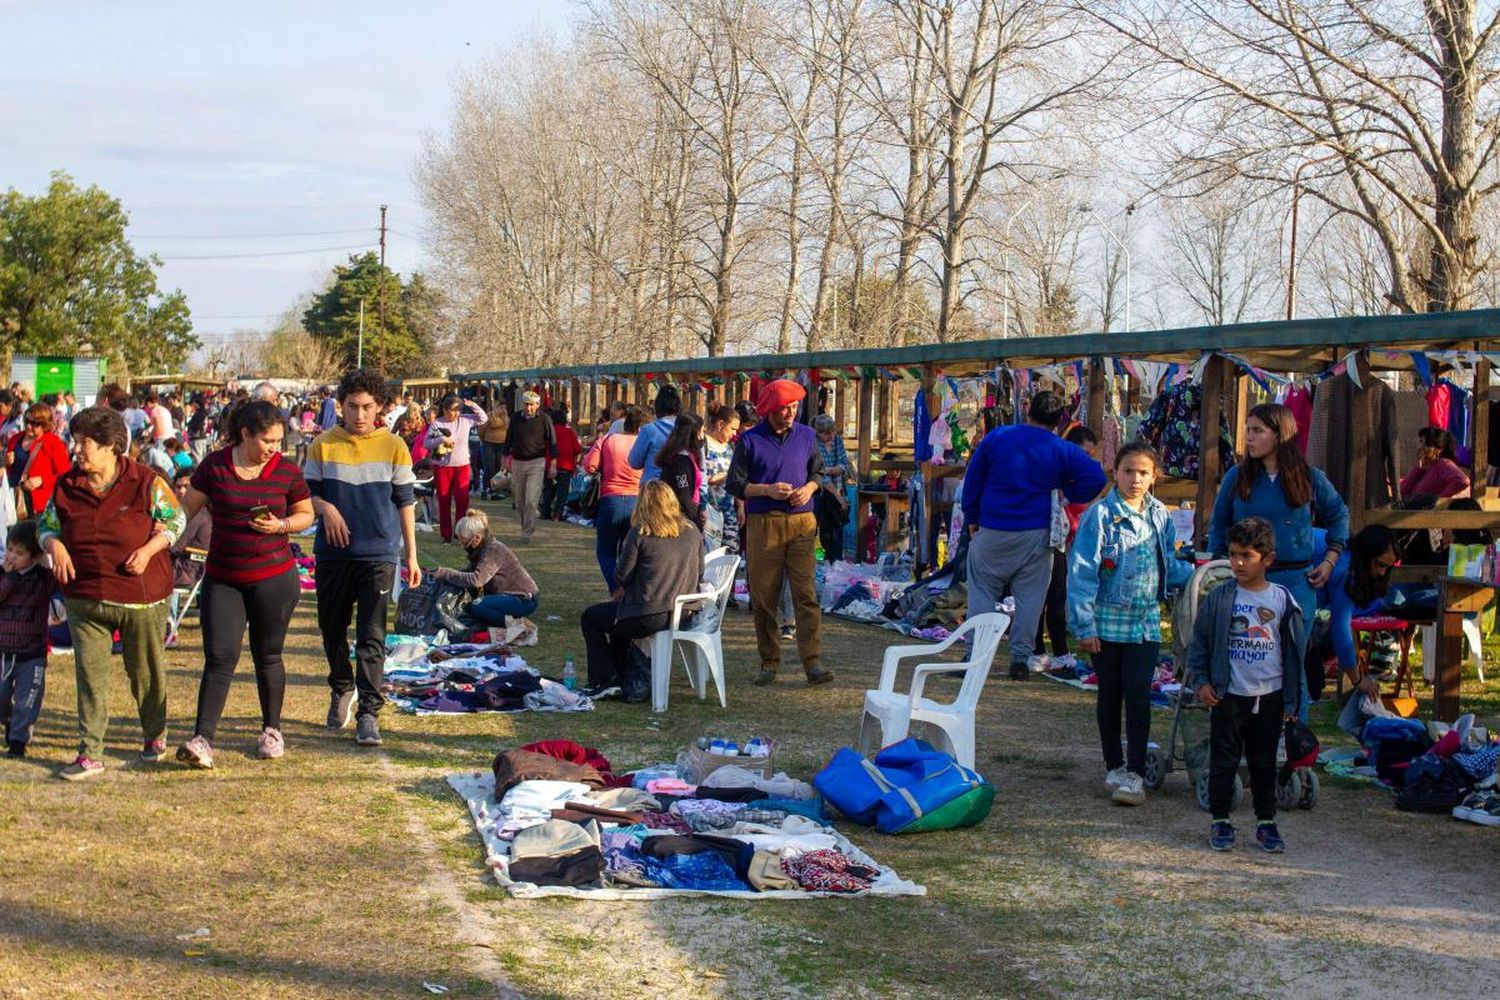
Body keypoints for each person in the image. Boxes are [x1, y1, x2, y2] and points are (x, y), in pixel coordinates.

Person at [39, 406, 185, 780]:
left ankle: (155, 734)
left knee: (144, 673)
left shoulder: (146, 481)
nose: (77, 451)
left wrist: (150, 550)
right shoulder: (66, 485)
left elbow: (175, 520)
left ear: (110, 446)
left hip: (140, 596)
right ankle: (90, 753)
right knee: (90, 676)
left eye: (84, 443)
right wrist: (52, 543)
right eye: (76, 442)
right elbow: (46, 524)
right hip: (84, 597)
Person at [174, 402, 315, 769]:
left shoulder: (285, 470)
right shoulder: (215, 466)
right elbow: (186, 510)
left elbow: (305, 514)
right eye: (268, 440)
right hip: (224, 579)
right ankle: (202, 739)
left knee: (267, 655)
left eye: (279, 441)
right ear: (245, 434)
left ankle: (272, 730)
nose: (275, 448)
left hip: (274, 578)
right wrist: (162, 532)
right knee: (219, 658)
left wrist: (281, 526)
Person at [1067, 441, 1191, 807]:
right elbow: (1083, 572)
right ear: (1115, 473)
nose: (1135, 479)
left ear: (1155, 477)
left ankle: (1135, 770)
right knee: (1110, 693)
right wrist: (1084, 625)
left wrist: (1203, 571)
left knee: (1138, 692)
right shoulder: (1099, 516)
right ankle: (1113, 765)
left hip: (1145, 622)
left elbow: (1167, 563)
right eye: (1128, 471)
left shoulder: (1160, 516)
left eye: (1143, 473)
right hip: (1106, 620)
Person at [304, 369, 421, 748]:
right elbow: (305, 497)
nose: (359, 414)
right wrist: (326, 508)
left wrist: (411, 558)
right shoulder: (322, 445)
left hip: (379, 554)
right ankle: (341, 687)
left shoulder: (395, 446)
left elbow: (406, 503)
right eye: (352, 406)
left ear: (380, 407)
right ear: (341, 406)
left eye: (366, 406)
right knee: (331, 628)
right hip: (333, 554)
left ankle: (369, 713)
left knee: (372, 634)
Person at [1206, 402, 1348, 715]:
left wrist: (1330, 560)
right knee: (1246, 662)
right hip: (1246, 584)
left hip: (1295, 584)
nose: (1249, 438)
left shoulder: (1309, 477)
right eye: (1248, 430)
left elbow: (1339, 514)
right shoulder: (1236, 477)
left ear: (1279, 435)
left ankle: (1297, 750)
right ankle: (1248, 740)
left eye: (1258, 430)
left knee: (1293, 665)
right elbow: (1218, 526)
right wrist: (1219, 570)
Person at [960, 390, 1106, 681]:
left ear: (1028, 411)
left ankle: (975, 655)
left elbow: (973, 479)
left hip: (993, 527)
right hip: (1037, 533)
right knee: (1030, 598)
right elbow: (1097, 477)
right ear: (1059, 420)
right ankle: (1020, 658)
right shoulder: (1061, 448)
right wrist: (1068, 492)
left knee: (982, 592)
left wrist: (972, 516)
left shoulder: (998, 437)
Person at [1185, 516, 1305, 854]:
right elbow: (1200, 645)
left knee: (1263, 761)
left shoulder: (1282, 600)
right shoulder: (1220, 599)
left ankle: (1266, 822)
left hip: (1269, 696)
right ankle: (1220, 820)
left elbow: (1295, 654)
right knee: (1223, 759)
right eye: (1233, 554)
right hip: (1228, 695)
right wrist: (1201, 682)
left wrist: (1293, 702)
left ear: (1267, 558)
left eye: (1247, 556)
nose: (1237, 562)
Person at [727, 379, 833, 687]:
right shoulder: (749, 441)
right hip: (764, 522)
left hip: (802, 521)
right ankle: (769, 661)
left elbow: (818, 472)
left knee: (806, 593)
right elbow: (735, 483)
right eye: (784, 409)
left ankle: (813, 662)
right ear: (770, 410)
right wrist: (766, 490)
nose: (790, 413)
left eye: (794, 407)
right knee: (764, 596)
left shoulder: (808, 435)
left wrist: (810, 488)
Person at [578, 481, 704, 703]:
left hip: (649, 612)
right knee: (617, 618)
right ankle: (622, 677)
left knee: (591, 617)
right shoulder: (692, 532)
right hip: (684, 612)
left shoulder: (641, 533)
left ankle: (604, 678)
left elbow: (622, 575)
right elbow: (700, 571)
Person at [1312, 525, 1404, 736]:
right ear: (1366, 555)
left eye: (1387, 568)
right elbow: (1341, 631)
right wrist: (1358, 679)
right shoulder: (1345, 570)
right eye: (1380, 565)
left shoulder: (1345, 554)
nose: (1382, 572)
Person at [1036, 425, 1099, 660]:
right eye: (1085, 453)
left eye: (1091, 455)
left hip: (1067, 540)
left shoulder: (1080, 477)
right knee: (1050, 595)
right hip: (1050, 538)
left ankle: (1051, 650)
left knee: (1056, 594)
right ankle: (1048, 650)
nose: (1087, 459)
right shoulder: (1058, 473)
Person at [430, 509, 539, 627]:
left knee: (478, 606)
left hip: (523, 599)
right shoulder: (482, 549)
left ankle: (517, 625)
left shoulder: (494, 550)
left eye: (464, 542)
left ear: (476, 538)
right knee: (471, 606)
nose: (463, 546)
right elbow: (470, 573)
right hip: (508, 596)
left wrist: (446, 573)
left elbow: (477, 580)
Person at [0, 520, 54, 758]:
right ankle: (8, 721)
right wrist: (9, 577)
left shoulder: (43, 578)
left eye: (20, 553)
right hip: (3, 651)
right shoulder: (3, 575)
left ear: (34, 557)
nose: (12, 556)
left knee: (27, 701)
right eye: (10, 549)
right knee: (2, 699)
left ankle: (18, 741)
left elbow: (63, 580)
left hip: (31, 655)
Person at [583, 405, 645, 590]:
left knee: (605, 551)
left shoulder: (607, 439)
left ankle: (615, 588)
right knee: (631, 552)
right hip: (637, 501)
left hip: (610, 501)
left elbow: (589, 466)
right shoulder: (645, 442)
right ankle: (628, 590)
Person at [425, 393, 490, 543]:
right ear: (445, 409)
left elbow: (484, 418)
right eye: (453, 410)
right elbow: (426, 444)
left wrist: (472, 405)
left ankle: (459, 531)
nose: (456, 413)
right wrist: (441, 439)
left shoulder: (465, 420)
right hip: (442, 467)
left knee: (462, 499)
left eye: (458, 410)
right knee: (444, 500)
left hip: (462, 466)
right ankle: (446, 534)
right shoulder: (437, 424)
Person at [504, 390, 556, 542]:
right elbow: (508, 438)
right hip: (517, 462)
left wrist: (553, 463)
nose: (528, 408)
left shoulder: (545, 419)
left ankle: (527, 531)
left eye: (532, 405)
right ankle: (524, 524)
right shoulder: (515, 418)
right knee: (519, 500)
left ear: (537, 405)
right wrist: (504, 457)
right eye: (526, 404)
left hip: (536, 462)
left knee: (531, 500)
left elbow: (552, 442)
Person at [12, 403, 69, 519]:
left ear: (44, 425)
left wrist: (42, 480)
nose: (28, 426)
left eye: (34, 424)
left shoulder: (53, 443)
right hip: (14, 499)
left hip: (40, 505)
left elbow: (65, 475)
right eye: (26, 421)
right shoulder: (15, 439)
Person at [811, 413, 851, 562]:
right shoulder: (814, 444)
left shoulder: (838, 441)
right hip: (820, 492)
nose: (831, 435)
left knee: (837, 528)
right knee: (816, 528)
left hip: (838, 488)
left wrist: (827, 469)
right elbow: (818, 473)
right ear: (819, 433)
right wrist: (828, 472)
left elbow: (844, 465)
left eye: (832, 431)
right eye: (827, 433)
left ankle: (836, 561)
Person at [702, 404, 742, 553]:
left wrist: (741, 507)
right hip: (707, 511)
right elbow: (693, 476)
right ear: (720, 425)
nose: (735, 433)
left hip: (728, 511)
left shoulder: (729, 447)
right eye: (732, 429)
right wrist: (712, 480)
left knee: (730, 554)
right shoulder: (702, 444)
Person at [654, 411, 705, 527]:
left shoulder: (689, 456)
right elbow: (683, 493)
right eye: (701, 432)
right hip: (678, 518)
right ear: (693, 433)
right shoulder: (680, 460)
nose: (703, 437)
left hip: (687, 513)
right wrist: (695, 520)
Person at [629, 384, 681, 485]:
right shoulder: (688, 429)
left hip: (653, 489)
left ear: (657, 407)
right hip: (681, 487)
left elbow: (634, 462)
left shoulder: (649, 430)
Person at [1400, 426, 1470, 500]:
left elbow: (1463, 481)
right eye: (1420, 442)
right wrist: (1418, 468)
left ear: (1439, 450)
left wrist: (1439, 501)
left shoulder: (1443, 464)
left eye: (1426, 445)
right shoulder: (1425, 469)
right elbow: (1403, 491)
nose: (1420, 447)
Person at [170, 467, 212, 590]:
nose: (182, 491)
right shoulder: (180, 511)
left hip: (187, 571)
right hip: (182, 567)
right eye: (178, 487)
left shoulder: (196, 514)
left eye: (186, 487)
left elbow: (175, 546)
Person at [542, 408, 583, 520]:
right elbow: (577, 449)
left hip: (550, 466)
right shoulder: (569, 432)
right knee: (562, 493)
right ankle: (557, 515)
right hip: (565, 467)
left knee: (548, 491)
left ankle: (545, 512)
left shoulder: (549, 431)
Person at [478, 406, 509, 499]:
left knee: (494, 468)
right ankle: (490, 489)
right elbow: (481, 430)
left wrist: (484, 439)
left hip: (494, 443)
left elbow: (481, 431)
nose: (502, 409)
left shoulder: (505, 418)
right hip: (491, 444)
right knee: (492, 468)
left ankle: (489, 489)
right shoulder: (504, 419)